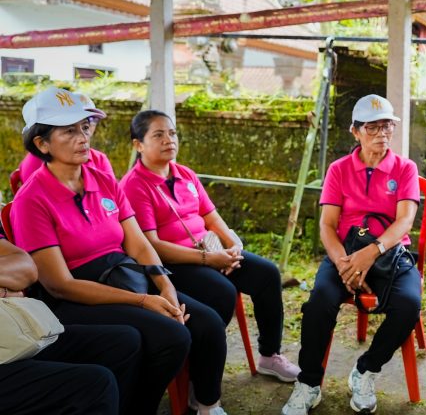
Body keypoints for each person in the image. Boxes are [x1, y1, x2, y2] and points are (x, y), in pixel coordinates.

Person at [11, 87, 229, 415]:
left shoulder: (104, 179)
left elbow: (138, 242)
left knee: (206, 322)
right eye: (69, 131)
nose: (83, 137)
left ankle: (190, 402)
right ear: (42, 144)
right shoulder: (32, 199)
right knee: (170, 336)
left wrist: (165, 285)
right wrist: (143, 300)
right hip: (74, 297)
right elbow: (59, 284)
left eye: (85, 127)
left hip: (125, 276)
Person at [119, 109, 299, 382]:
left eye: (172, 133)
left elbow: (211, 217)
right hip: (173, 264)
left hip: (209, 249)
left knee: (267, 274)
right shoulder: (134, 185)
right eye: (158, 135)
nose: (169, 140)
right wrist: (207, 260)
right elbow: (152, 244)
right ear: (138, 144)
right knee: (222, 292)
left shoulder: (186, 174)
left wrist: (233, 246)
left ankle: (269, 355)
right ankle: (198, 374)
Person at [282, 94, 422, 415]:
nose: (382, 134)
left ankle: (365, 371)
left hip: (387, 252)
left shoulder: (405, 168)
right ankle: (309, 382)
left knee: (409, 305)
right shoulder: (339, 170)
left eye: (387, 126)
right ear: (355, 132)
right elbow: (327, 225)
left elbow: (404, 220)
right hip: (344, 254)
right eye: (372, 128)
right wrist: (344, 263)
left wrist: (371, 253)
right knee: (319, 301)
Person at [0, 231, 142, 415]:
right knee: (96, 384)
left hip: (8, 330)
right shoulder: (30, 203)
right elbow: (59, 284)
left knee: (122, 342)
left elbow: (27, 269)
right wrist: (6, 285)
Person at [18, 91, 115, 182]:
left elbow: (111, 193)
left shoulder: (99, 159)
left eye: (89, 120)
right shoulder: (36, 160)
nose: (84, 136)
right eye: (70, 130)